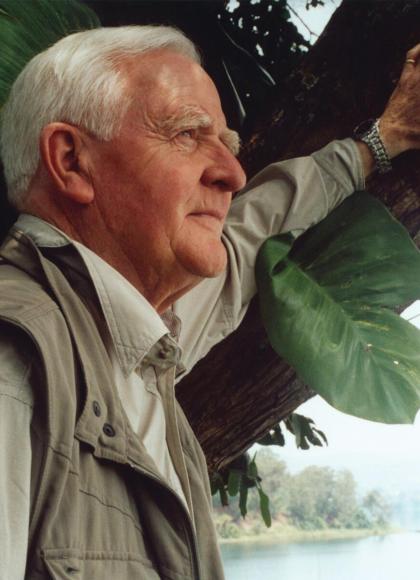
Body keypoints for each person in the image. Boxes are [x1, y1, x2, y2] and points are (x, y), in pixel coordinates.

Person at [0, 24, 419, 580]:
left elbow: (254, 228)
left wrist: (383, 140)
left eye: (227, 144)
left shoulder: (142, 332)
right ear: (72, 161)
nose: (232, 173)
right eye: (186, 134)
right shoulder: (17, 362)